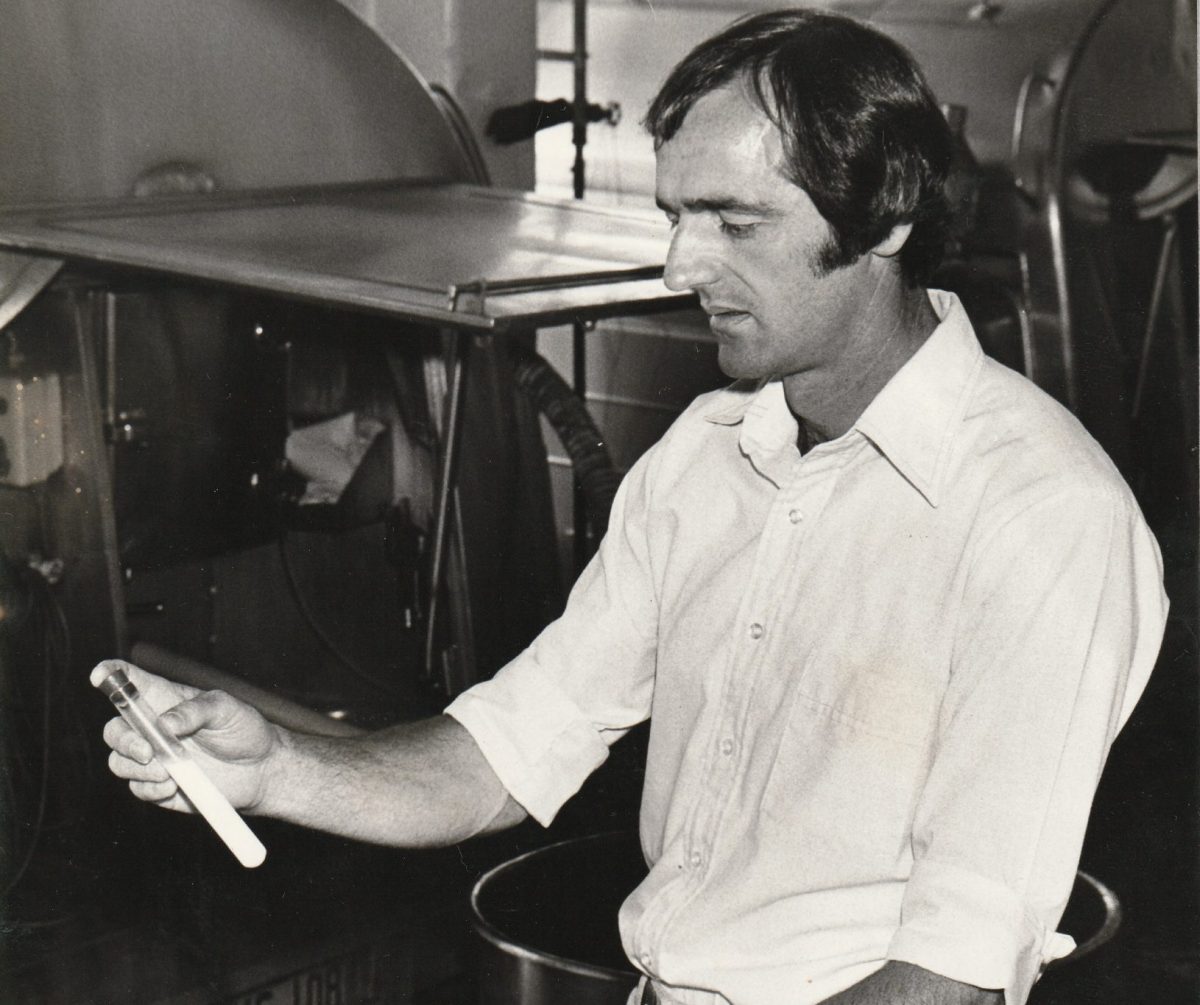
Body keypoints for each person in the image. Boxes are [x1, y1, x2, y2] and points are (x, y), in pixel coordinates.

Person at [98, 9, 1168, 1005]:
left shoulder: (1041, 517)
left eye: (735, 223)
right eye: (674, 215)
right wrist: (277, 769)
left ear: (883, 221)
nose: (677, 264)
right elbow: (505, 751)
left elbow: (955, 976)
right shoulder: (704, 460)